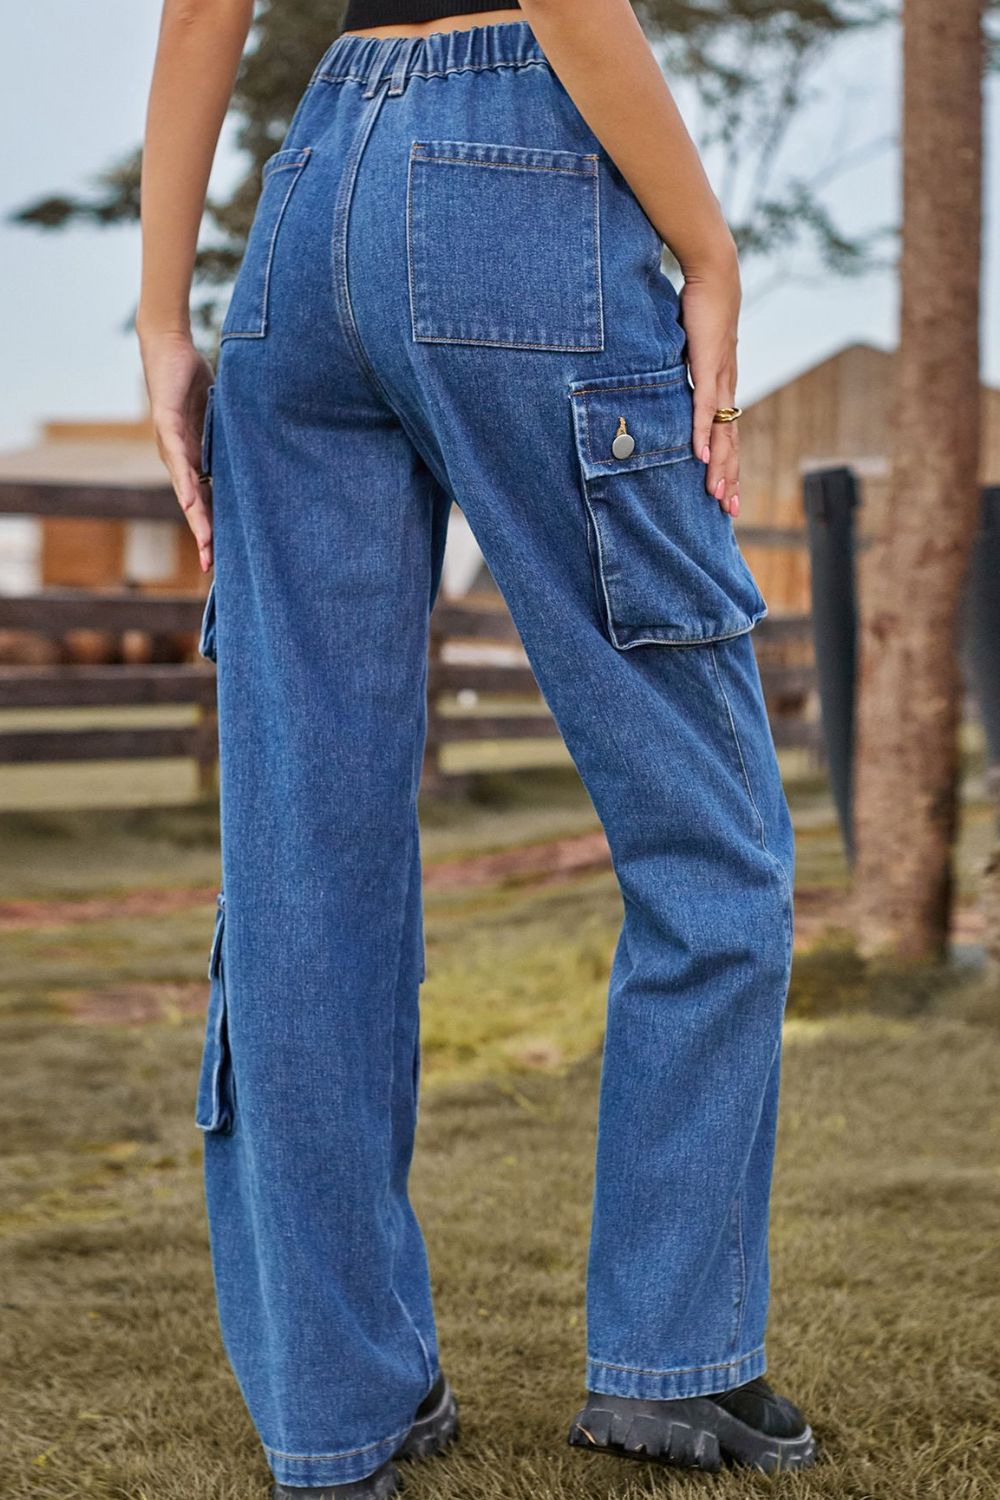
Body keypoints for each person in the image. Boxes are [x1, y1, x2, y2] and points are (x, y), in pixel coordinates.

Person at [137, 2, 817, 1494]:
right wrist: (707, 247)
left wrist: (158, 315)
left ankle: (337, 1413)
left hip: (307, 203)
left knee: (305, 867)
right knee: (708, 839)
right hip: (519, 172)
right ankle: (672, 1364)